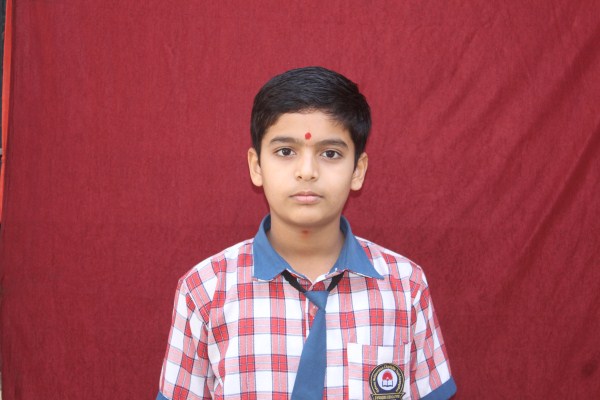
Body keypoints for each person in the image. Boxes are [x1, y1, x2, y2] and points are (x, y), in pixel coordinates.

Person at [157, 66, 457, 399]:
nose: (307, 172)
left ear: (358, 171)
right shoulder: (204, 291)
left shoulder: (405, 286)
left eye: (330, 154)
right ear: (256, 166)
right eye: (286, 152)